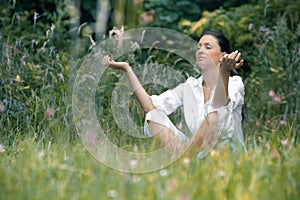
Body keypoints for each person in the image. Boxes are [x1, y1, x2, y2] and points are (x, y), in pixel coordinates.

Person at [103, 30, 246, 158]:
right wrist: (127, 69)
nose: (200, 51)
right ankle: (186, 160)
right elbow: (149, 106)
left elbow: (219, 105)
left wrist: (225, 71)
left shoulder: (235, 83)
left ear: (223, 55)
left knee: (213, 116)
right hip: (197, 152)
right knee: (153, 116)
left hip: (225, 155)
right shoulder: (190, 86)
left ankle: (185, 160)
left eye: (207, 47)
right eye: (199, 47)